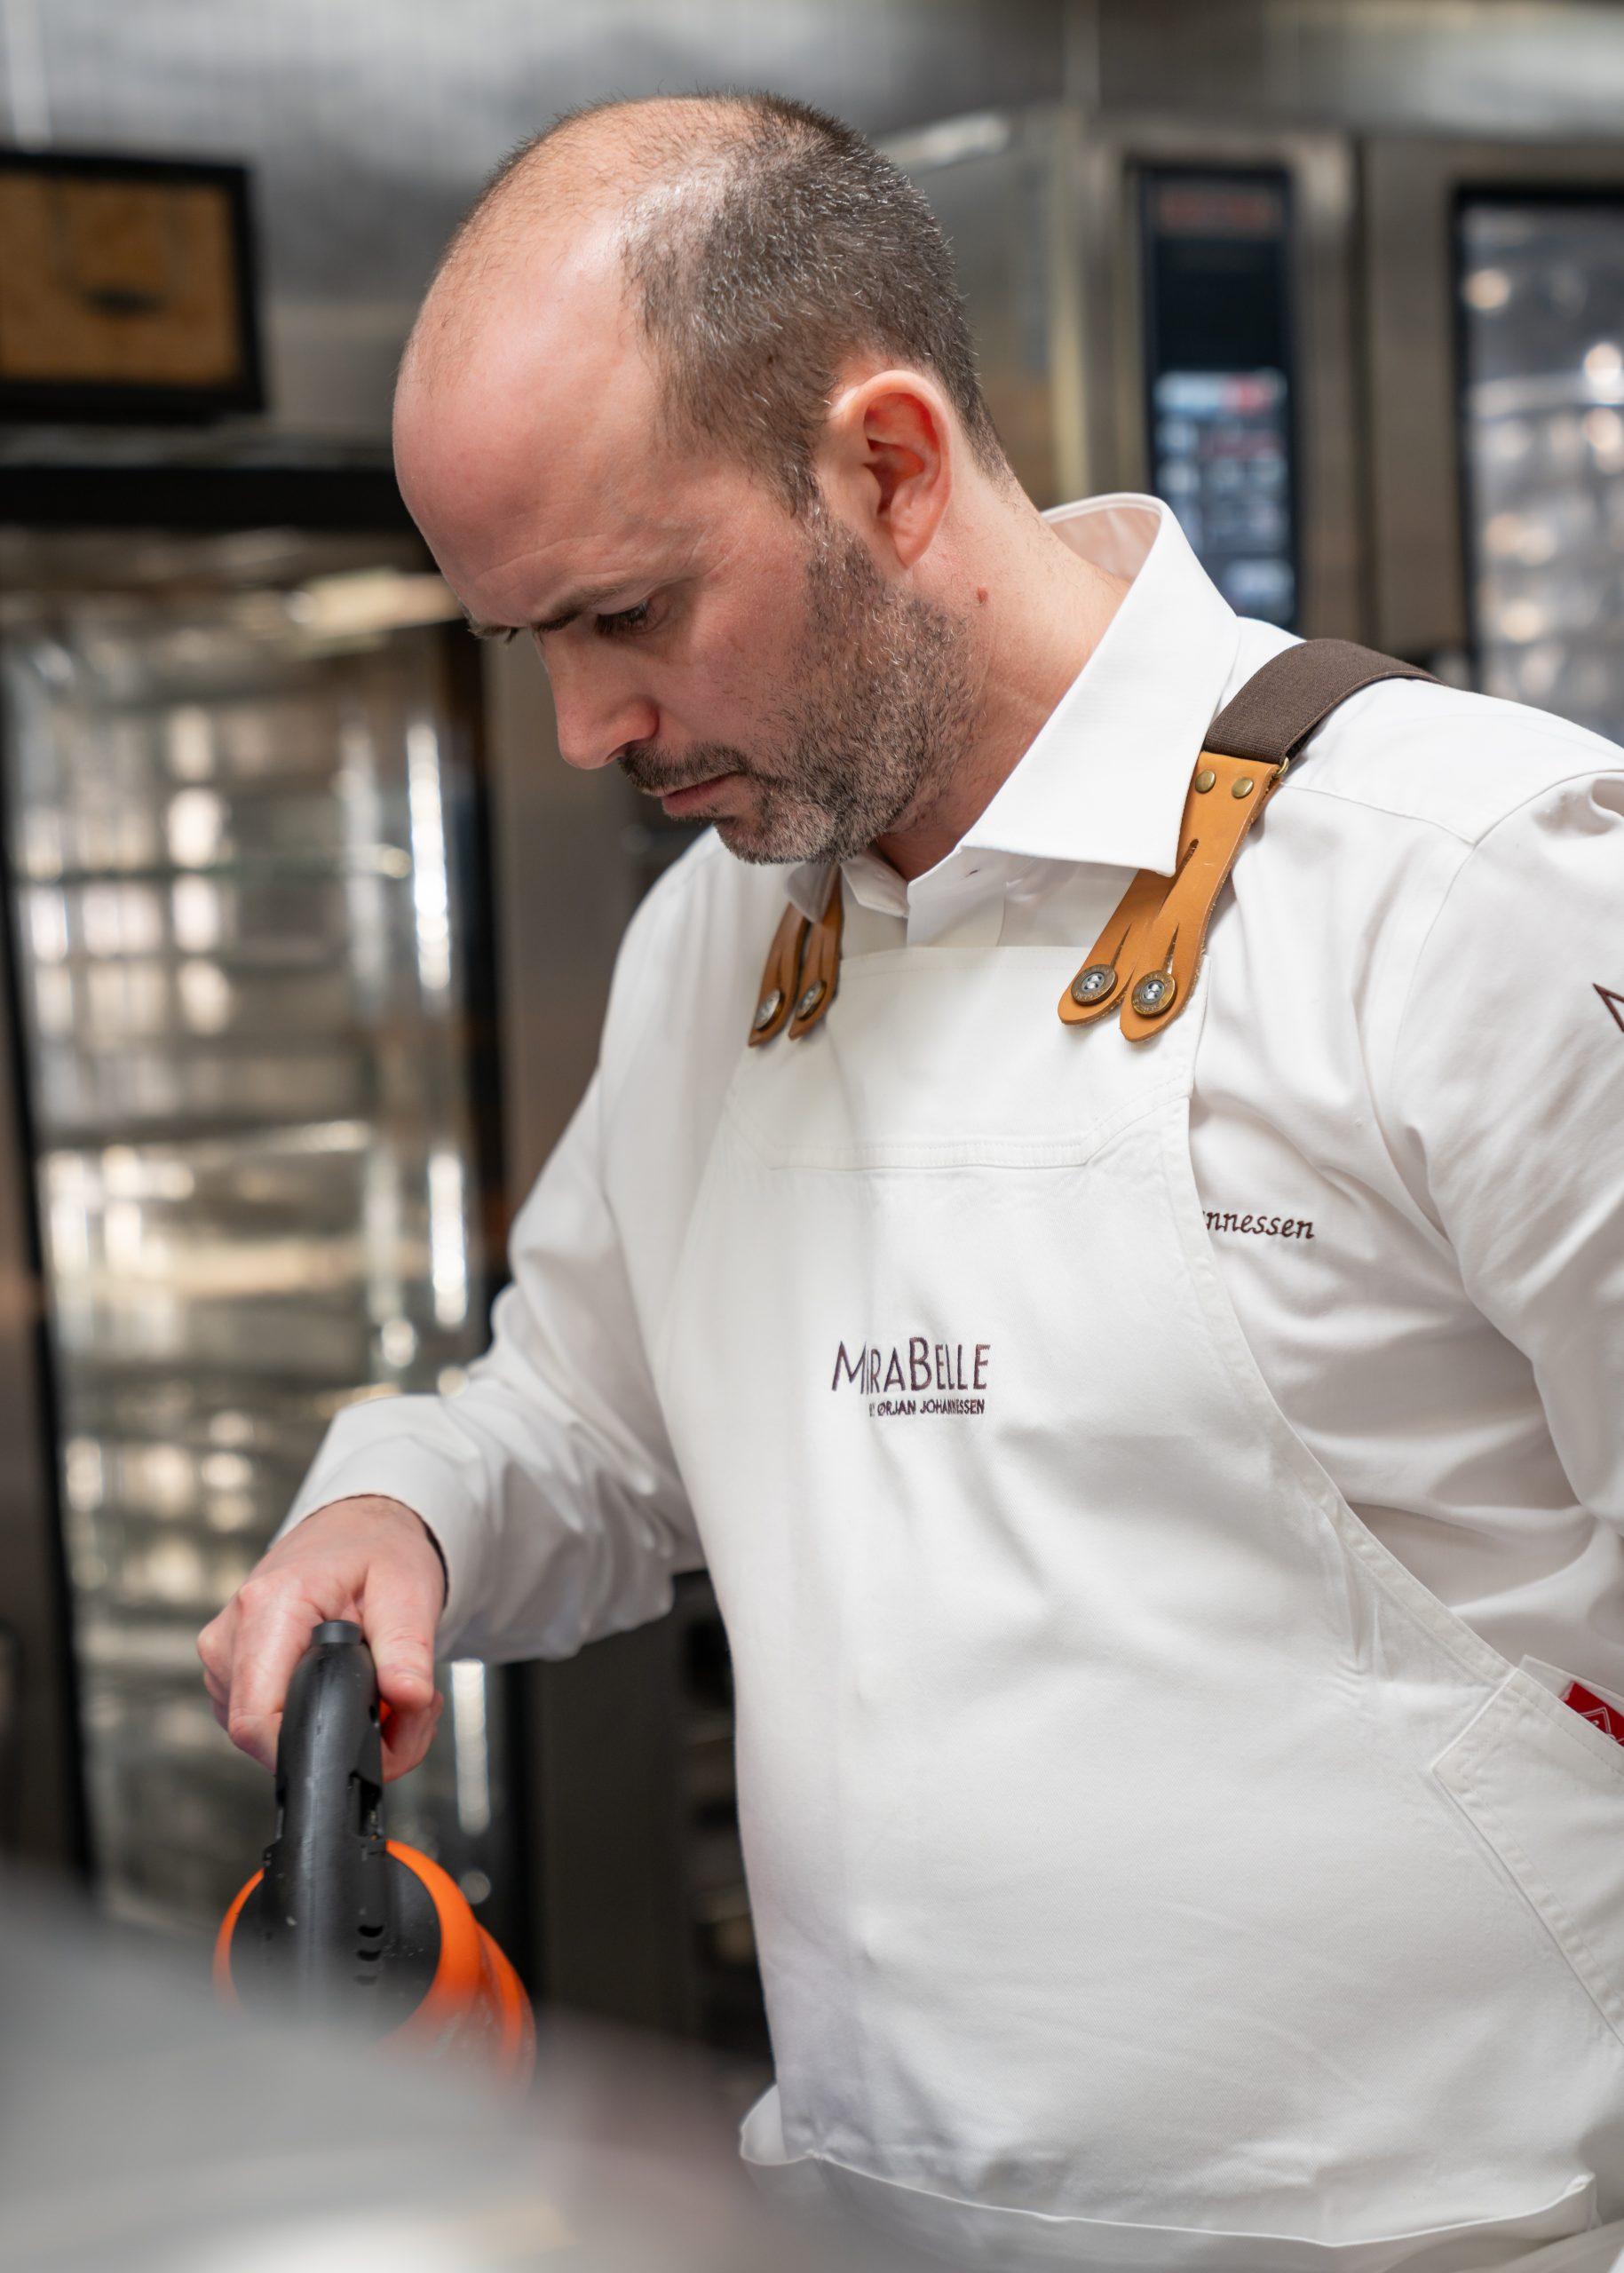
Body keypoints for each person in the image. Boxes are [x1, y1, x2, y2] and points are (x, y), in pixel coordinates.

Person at [199, 91, 1624, 2273]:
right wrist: (402, 1504)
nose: (585, 727)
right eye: (528, 642)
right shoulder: (718, 942)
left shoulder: (1465, 889)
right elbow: (588, 1416)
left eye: (628, 611)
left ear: (888, 463)